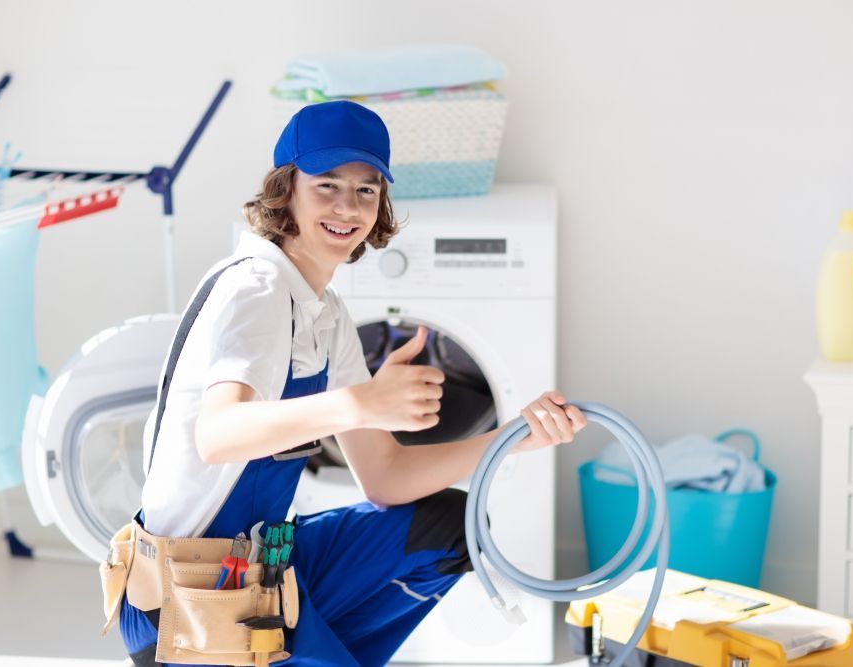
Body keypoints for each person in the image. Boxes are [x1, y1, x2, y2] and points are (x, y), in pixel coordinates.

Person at [118, 100, 586, 667]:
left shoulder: (326, 312)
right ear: (286, 188)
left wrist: (513, 437)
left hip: (259, 569)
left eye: (367, 190)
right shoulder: (259, 288)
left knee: (450, 525)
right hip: (183, 598)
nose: (348, 206)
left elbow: (386, 479)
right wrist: (358, 404)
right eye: (327, 184)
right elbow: (219, 434)